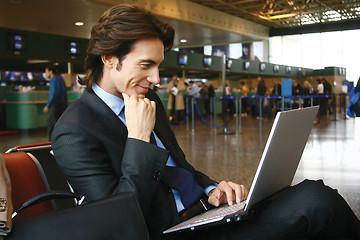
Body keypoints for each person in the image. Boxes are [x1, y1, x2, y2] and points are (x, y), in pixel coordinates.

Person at [51, 4, 360, 240]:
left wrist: (213, 188)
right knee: (315, 203)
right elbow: (116, 223)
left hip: (204, 212)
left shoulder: (149, 101)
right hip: (172, 229)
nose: (156, 78)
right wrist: (138, 139)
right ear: (108, 58)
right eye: (146, 65)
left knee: (312, 193)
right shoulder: (74, 129)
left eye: (158, 65)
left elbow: (181, 168)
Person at [43, 64, 67, 140]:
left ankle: (51, 142)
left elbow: (54, 94)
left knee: (52, 123)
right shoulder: (59, 79)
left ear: (50, 72)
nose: (45, 74)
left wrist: (48, 105)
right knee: (57, 122)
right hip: (61, 103)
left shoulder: (54, 80)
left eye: (46, 72)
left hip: (56, 103)